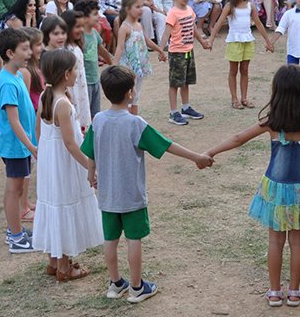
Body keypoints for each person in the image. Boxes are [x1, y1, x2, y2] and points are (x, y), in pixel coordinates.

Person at [206, 64, 300, 307]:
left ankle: (275, 291)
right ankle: (294, 292)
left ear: (277, 93)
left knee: (275, 241)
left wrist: (211, 151)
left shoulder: (272, 122)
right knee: (298, 241)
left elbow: (238, 139)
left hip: (276, 189)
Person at [80, 65, 213, 303]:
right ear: (130, 93)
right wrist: (197, 157)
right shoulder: (135, 123)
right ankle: (137, 287)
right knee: (133, 240)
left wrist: (91, 174)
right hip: (131, 196)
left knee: (110, 240)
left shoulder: (98, 120)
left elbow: (90, 152)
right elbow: (166, 145)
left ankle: (114, 283)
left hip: (107, 196)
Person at [33, 49, 104, 281]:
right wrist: (89, 167)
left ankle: (53, 261)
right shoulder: (63, 104)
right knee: (64, 203)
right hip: (64, 164)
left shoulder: (46, 96)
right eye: (75, 70)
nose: (77, 74)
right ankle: (64, 266)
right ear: (66, 74)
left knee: (54, 203)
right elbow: (71, 143)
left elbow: (38, 131)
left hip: (50, 161)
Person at [0, 28, 37, 253]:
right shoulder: (9, 82)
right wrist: (30, 146)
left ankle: (15, 230)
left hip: (20, 145)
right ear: (10, 53)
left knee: (16, 189)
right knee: (14, 189)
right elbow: (13, 120)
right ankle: (17, 238)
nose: (29, 52)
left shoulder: (17, 75)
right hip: (15, 146)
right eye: (25, 48)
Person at [208, 0, 274, 109]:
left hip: (247, 40)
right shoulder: (229, 7)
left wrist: (268, 41)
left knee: (245, 70)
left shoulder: (250, 6)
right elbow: (219, 23)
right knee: (233, 71)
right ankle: (234, 99)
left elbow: (259, 24)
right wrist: (211, 40)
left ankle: (244, 98)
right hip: (234, 41)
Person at [160, 0, 211, 126]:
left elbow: (194, 28)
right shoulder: (172, 13)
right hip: (177, 53)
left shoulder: (189, 9)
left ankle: (185, 107)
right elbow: (166, 34)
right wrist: (160, 50)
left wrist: (202, 41)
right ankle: (173, 112)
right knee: (175, 83)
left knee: (186, 81)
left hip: (189, 51)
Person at [114, 0, 166, 116]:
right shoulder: (124, 27)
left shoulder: (138, 25)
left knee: (136, 95)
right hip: (128, 67)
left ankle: (135, 118)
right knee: (128, 95)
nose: (141, 9)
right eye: (137, 7)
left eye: (141, 6)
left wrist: (159, 50)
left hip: (140, 65)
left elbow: (147, 40)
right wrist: (113, 66)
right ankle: (127, 119)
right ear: (128, 9)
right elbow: (120, 47)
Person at [74, 0, 114, 118]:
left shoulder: (94, 33)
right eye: (95, 14)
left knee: (95, 113)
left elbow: (102, 50)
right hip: (83, 82)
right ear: (84, 17)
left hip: (95, 79)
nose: (98, 16)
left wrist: (112, 64)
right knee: (84, 114)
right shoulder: (78, 36)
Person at [60, 10, 92, 130]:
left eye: (82, 26)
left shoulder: (76, 46)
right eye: (77, 26)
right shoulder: (65, 49)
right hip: (71, 90)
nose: (81, 30)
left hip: (81, 89)